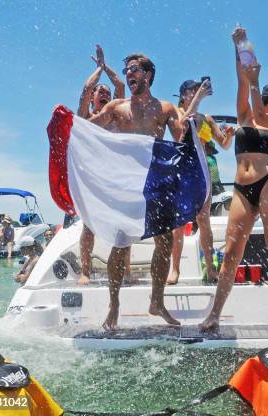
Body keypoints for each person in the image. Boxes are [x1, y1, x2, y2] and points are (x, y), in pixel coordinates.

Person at [89, 52, 208, 330]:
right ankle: (114, 305)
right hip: (126, 183)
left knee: (165, 242)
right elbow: (88, 129)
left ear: (148, 75)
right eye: (127, 70)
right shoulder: (116, 108)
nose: (129, 74)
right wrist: (67, 124)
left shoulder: (165, 108)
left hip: (156, 182)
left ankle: (157, 301)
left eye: (133, 69)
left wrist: (194, 117)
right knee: (121, 245)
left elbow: (182, 137)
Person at [199, 27, 268, 336]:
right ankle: (215, 314)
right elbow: (242, 78)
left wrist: (256, 82)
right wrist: (239, 45)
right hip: (241, 189)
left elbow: (258, 105)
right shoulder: (245, 116)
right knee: (232, 253)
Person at [167, 79, 235, 285]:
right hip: (183, 172)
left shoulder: (206, 118)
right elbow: (181, 130)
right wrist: (198, 99)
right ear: (183, 94)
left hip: (202, 173)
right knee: (179, 224)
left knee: (204, 221)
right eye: (193, 90)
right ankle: (175, 269)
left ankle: (211, 268)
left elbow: (223, 145)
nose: (197, 92)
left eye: (199, 89)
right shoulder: (176, 112)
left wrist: (229, 136)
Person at [77, 44, 130, 286]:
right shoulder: (86, 118)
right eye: (100, 91)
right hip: (93, 180)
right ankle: (85, 271)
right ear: (92, 100)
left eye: (106, 91)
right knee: (89, 227)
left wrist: (106, 66)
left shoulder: (117, 115)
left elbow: (120, 86)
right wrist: (97, 70)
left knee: (123, 229)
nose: (104, 92)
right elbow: (86, 89)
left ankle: (125, 270)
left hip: (117, 178)